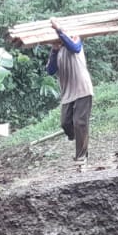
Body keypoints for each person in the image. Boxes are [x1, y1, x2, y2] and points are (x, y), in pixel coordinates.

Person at [45, 19, 94, 170]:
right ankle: (78, 139)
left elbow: (74, 47)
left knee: (80, 123)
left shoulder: (75, 40)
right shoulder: (57, 51)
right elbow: (50, 70)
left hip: (82, 90)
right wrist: (54, 50)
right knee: (65, 123)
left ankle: (81, 157)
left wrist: (59, 30)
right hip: (67, 94)